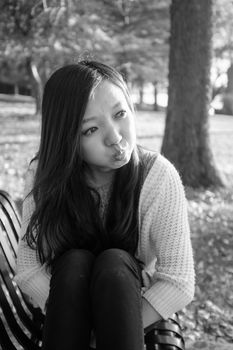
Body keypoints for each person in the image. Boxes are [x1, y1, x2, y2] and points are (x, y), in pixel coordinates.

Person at [15, 61, 195, 350]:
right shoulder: (45, 176)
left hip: (129, 304)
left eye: (120, 114)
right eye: (91, 129)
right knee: (74, 262)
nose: (115, 137)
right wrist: (77, 320)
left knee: (114, 262)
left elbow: (178, 282)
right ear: (67, 139)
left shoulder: (158, 176)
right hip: (64, 301)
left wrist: (109, 329)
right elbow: (28, 268)